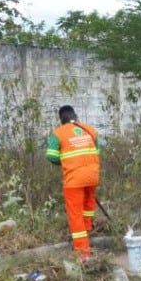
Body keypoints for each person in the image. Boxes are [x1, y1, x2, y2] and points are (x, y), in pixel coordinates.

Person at [45, 105, 100, 261]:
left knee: (75, 215)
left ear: (61, 119)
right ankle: (88, 232)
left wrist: (66, 160)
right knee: (88, 207)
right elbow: (97, 152)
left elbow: (51, 156)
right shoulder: (90, 130)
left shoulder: (58, 133)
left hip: (74, 180)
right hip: (93, 176)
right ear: (76, 116)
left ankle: (83, 252)